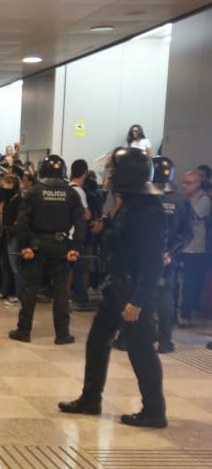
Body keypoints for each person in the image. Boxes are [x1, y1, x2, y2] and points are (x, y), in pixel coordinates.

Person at [60, 147, 167, 428]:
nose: (109, 175)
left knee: (141, 349)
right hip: (117, 289)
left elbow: (152, 260)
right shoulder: (130, 203)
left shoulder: (147, 209)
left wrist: (139, 300)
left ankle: (154, 411)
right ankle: (90, 399)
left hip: (133, 294)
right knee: (97, 342)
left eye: (114, 171)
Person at [9, 154, 86, 344]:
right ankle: (62, 334)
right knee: (61, 291)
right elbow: (80, 223)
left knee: (30, 290)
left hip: (37, 246)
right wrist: (75, 247)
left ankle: (24, 331)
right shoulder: (71, 193)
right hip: (61, 246)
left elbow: (22, 223)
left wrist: (27, 245)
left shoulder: (34, 192)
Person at [150, 156, 193, 353]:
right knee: (166, 296)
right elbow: (187, 233)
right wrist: (170, 253)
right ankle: (165, 342)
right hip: (169, 257)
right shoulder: (181, 199)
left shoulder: (146, 196)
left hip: (145, 256)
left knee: (139, 295)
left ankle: (133, 337)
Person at [180, 170, 210, 328]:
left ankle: (186, 315)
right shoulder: (182, 198)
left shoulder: (203, 199)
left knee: (190, 283)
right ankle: (173, 313)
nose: (185, 186)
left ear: (198, 184)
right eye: (183, 182)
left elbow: (192, 218)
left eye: (188, 183)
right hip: (180, 247)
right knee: (174, 282)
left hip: (195, 249)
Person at [69, 159, 93, 310]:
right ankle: (80, 299)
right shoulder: (79, 191)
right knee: (78, 269)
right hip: (75, 235)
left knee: (67, 269)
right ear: (84, 173)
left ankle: (64, 298)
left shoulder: (66, 188)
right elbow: (86, 215)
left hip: (66, 234)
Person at [0, 175, 22, 303]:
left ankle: (19, 294)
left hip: (14, 235)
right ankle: (5, 291)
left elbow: (20, 220)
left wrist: (14, 226)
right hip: (5, 233)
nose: (4, 187)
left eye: (7, 184)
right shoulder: (6, 200)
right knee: (4, 264)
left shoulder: (19, 200)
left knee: (15, 266)